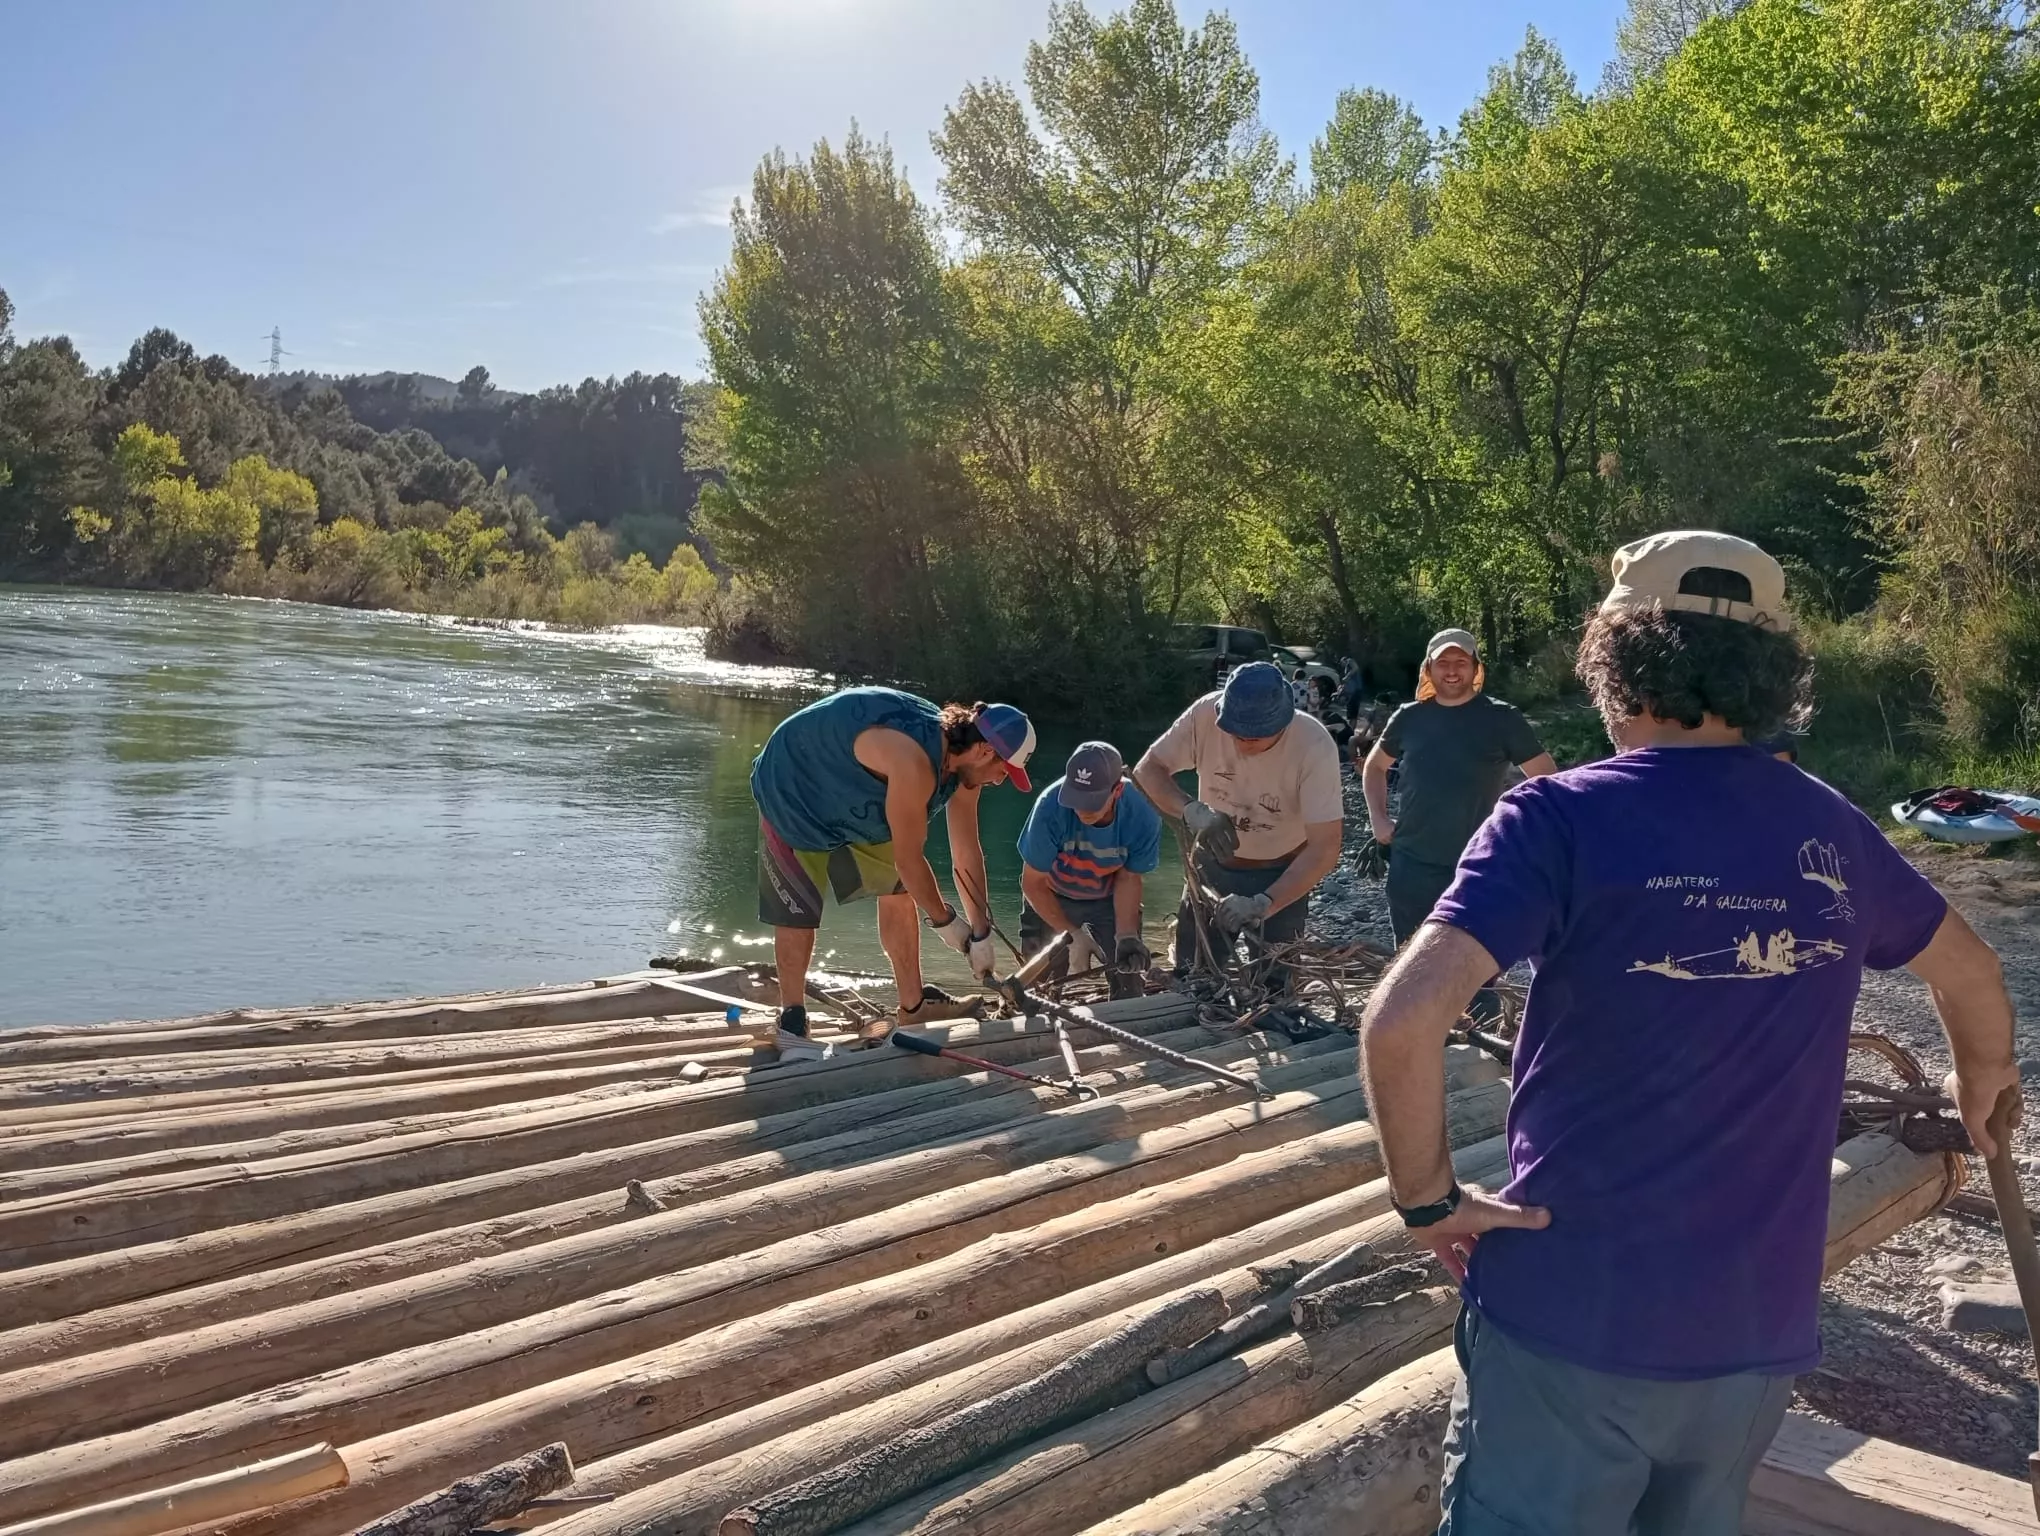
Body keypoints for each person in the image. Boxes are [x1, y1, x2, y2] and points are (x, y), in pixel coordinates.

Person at [1358, 530, 2018, 1536]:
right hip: (1755, 1327)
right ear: (1771, 673)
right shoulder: (1834, 829)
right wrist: (1983, 1080)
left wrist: (1428, 1202)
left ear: (1614, 663)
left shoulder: (1554, 819)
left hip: (1570, 1314)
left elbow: (1402, 1023)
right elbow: (1973, 973)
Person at [750, 687, 1037, 1060]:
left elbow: (966, 852)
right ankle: (793, 1019)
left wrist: (981, 933)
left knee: (899, 890)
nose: (1000, 780)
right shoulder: (914, 762)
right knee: (797, 906)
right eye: (1004, 771)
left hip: (862, 797)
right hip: (793, 781)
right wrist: (948, 924)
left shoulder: (964, 768)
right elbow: (910, 861)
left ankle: (913, 1008)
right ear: (985, 750)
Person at [1133, 661, 1343, 978]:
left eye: (1253, 738)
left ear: (1283, 723)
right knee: (1193, 975)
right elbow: (1148, 770)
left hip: (1282, 872)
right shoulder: (1205, 715)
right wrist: (1192, 811)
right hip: (1211, 866)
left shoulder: (1314, 745)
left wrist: (1265, 903)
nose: (1240, 744)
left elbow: (1325, 847)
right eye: (1233, 732)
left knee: (1275, 984)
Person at [1363, 629, 1557, 948]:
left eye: (1461, 662)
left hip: (1480, 866)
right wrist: (1378, 819)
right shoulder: (1409, 717)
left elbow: (1547, 779)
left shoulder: (1502, 718)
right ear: (1428, 669)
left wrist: (1524, 833)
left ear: (1476, 668)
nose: (1452, 670)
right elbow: (1374, 767)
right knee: (1410, 961)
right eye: (1443, 663)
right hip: (1412, 865)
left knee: (1479, 964)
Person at [1017, 741, 1163, 1000]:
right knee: (1038, 988)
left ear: (1117, 790)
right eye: (1076, 799)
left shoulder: (1143, 815)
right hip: (1051, 894)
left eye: (1092, 801)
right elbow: (1033, 883)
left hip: (1108, 899)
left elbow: (1129, 878)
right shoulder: (1049, 807)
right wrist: (1073, 934)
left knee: (1127, 977)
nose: (1082, 809)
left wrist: (1126, 935)